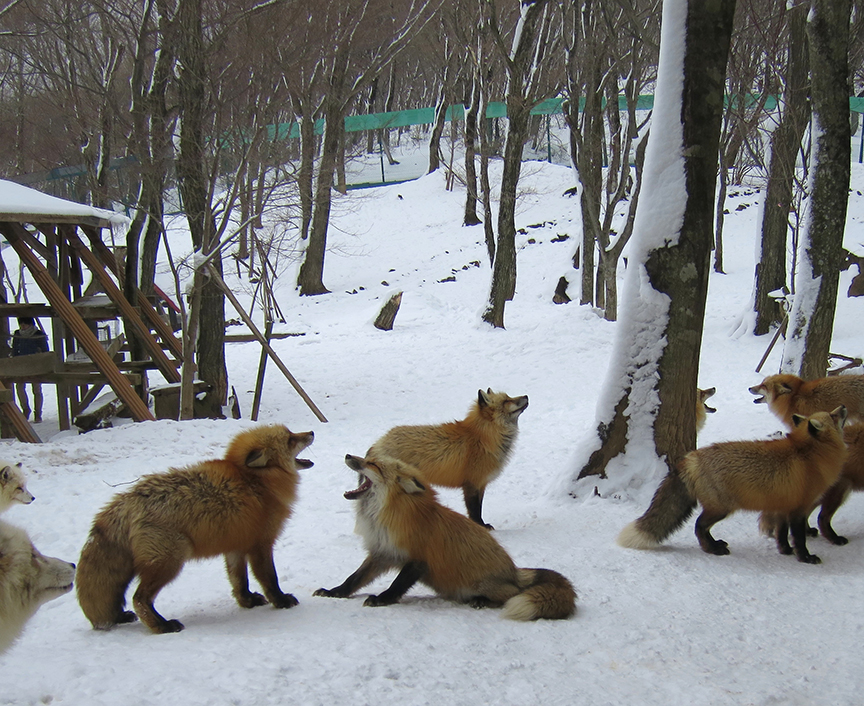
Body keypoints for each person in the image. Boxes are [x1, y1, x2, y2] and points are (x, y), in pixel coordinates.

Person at [11, 317, 49, 423]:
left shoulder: (38, 334)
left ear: (30, 324)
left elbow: (45, 350)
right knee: (19, 387)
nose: (22, 326)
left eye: (25, 324)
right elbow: (15, 349)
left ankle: (38, 413)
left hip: (35, 365)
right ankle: (25, 409)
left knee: (36, 389)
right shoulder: (17, 334)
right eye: (21, 324)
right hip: (21, 365)